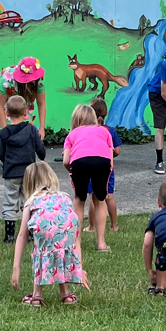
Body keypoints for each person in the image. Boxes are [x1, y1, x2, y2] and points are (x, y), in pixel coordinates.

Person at [10, 161, 87, 306]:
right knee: (60, 250)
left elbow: (22, 235)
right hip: (69, 227)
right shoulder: (64, 197)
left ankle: (37, 295)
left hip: (45, 227)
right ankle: (65, 294)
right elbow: (76, 235)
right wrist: (79, 266)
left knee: (41, 250)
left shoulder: (32, 201)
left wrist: (16, 269)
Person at [62, 104, 114, 253]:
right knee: (100, 199)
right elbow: (110, 160)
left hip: (79, 163)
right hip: (102, 162)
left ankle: (76, 244)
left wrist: (72, 171)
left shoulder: (72, 135)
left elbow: (66, 160)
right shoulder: (104, 132)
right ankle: (101, 243)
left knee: (79, 200)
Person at [0, 95, 46, 244]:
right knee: (29, 201)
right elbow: (41, 151)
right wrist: (41, 156)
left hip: (11, 172)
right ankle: (30, 233)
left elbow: (0, 153)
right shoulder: (31, 130)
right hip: (29, 172)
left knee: (10, 202)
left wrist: (7, 162)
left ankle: (10, 235)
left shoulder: (4, 133)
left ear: (7, 113)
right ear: (26, 112)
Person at [85, 97, 121, 233]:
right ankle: (113, 226)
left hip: (90, 167)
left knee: (93, 197)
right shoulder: (110, 131)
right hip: (107, 168)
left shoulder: (87, 131)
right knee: (109, 196)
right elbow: (117, 150)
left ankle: (92, 226)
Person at [0, 56, 47, 140]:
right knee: (10, 123)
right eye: (30, 80)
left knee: (23, 126)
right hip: (8, 98)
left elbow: (41, 104)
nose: (33, 82)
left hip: (24, 98)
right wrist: (5, 131)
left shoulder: (38, 83)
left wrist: (42, 128)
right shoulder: (6, 81)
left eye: (34, 79)